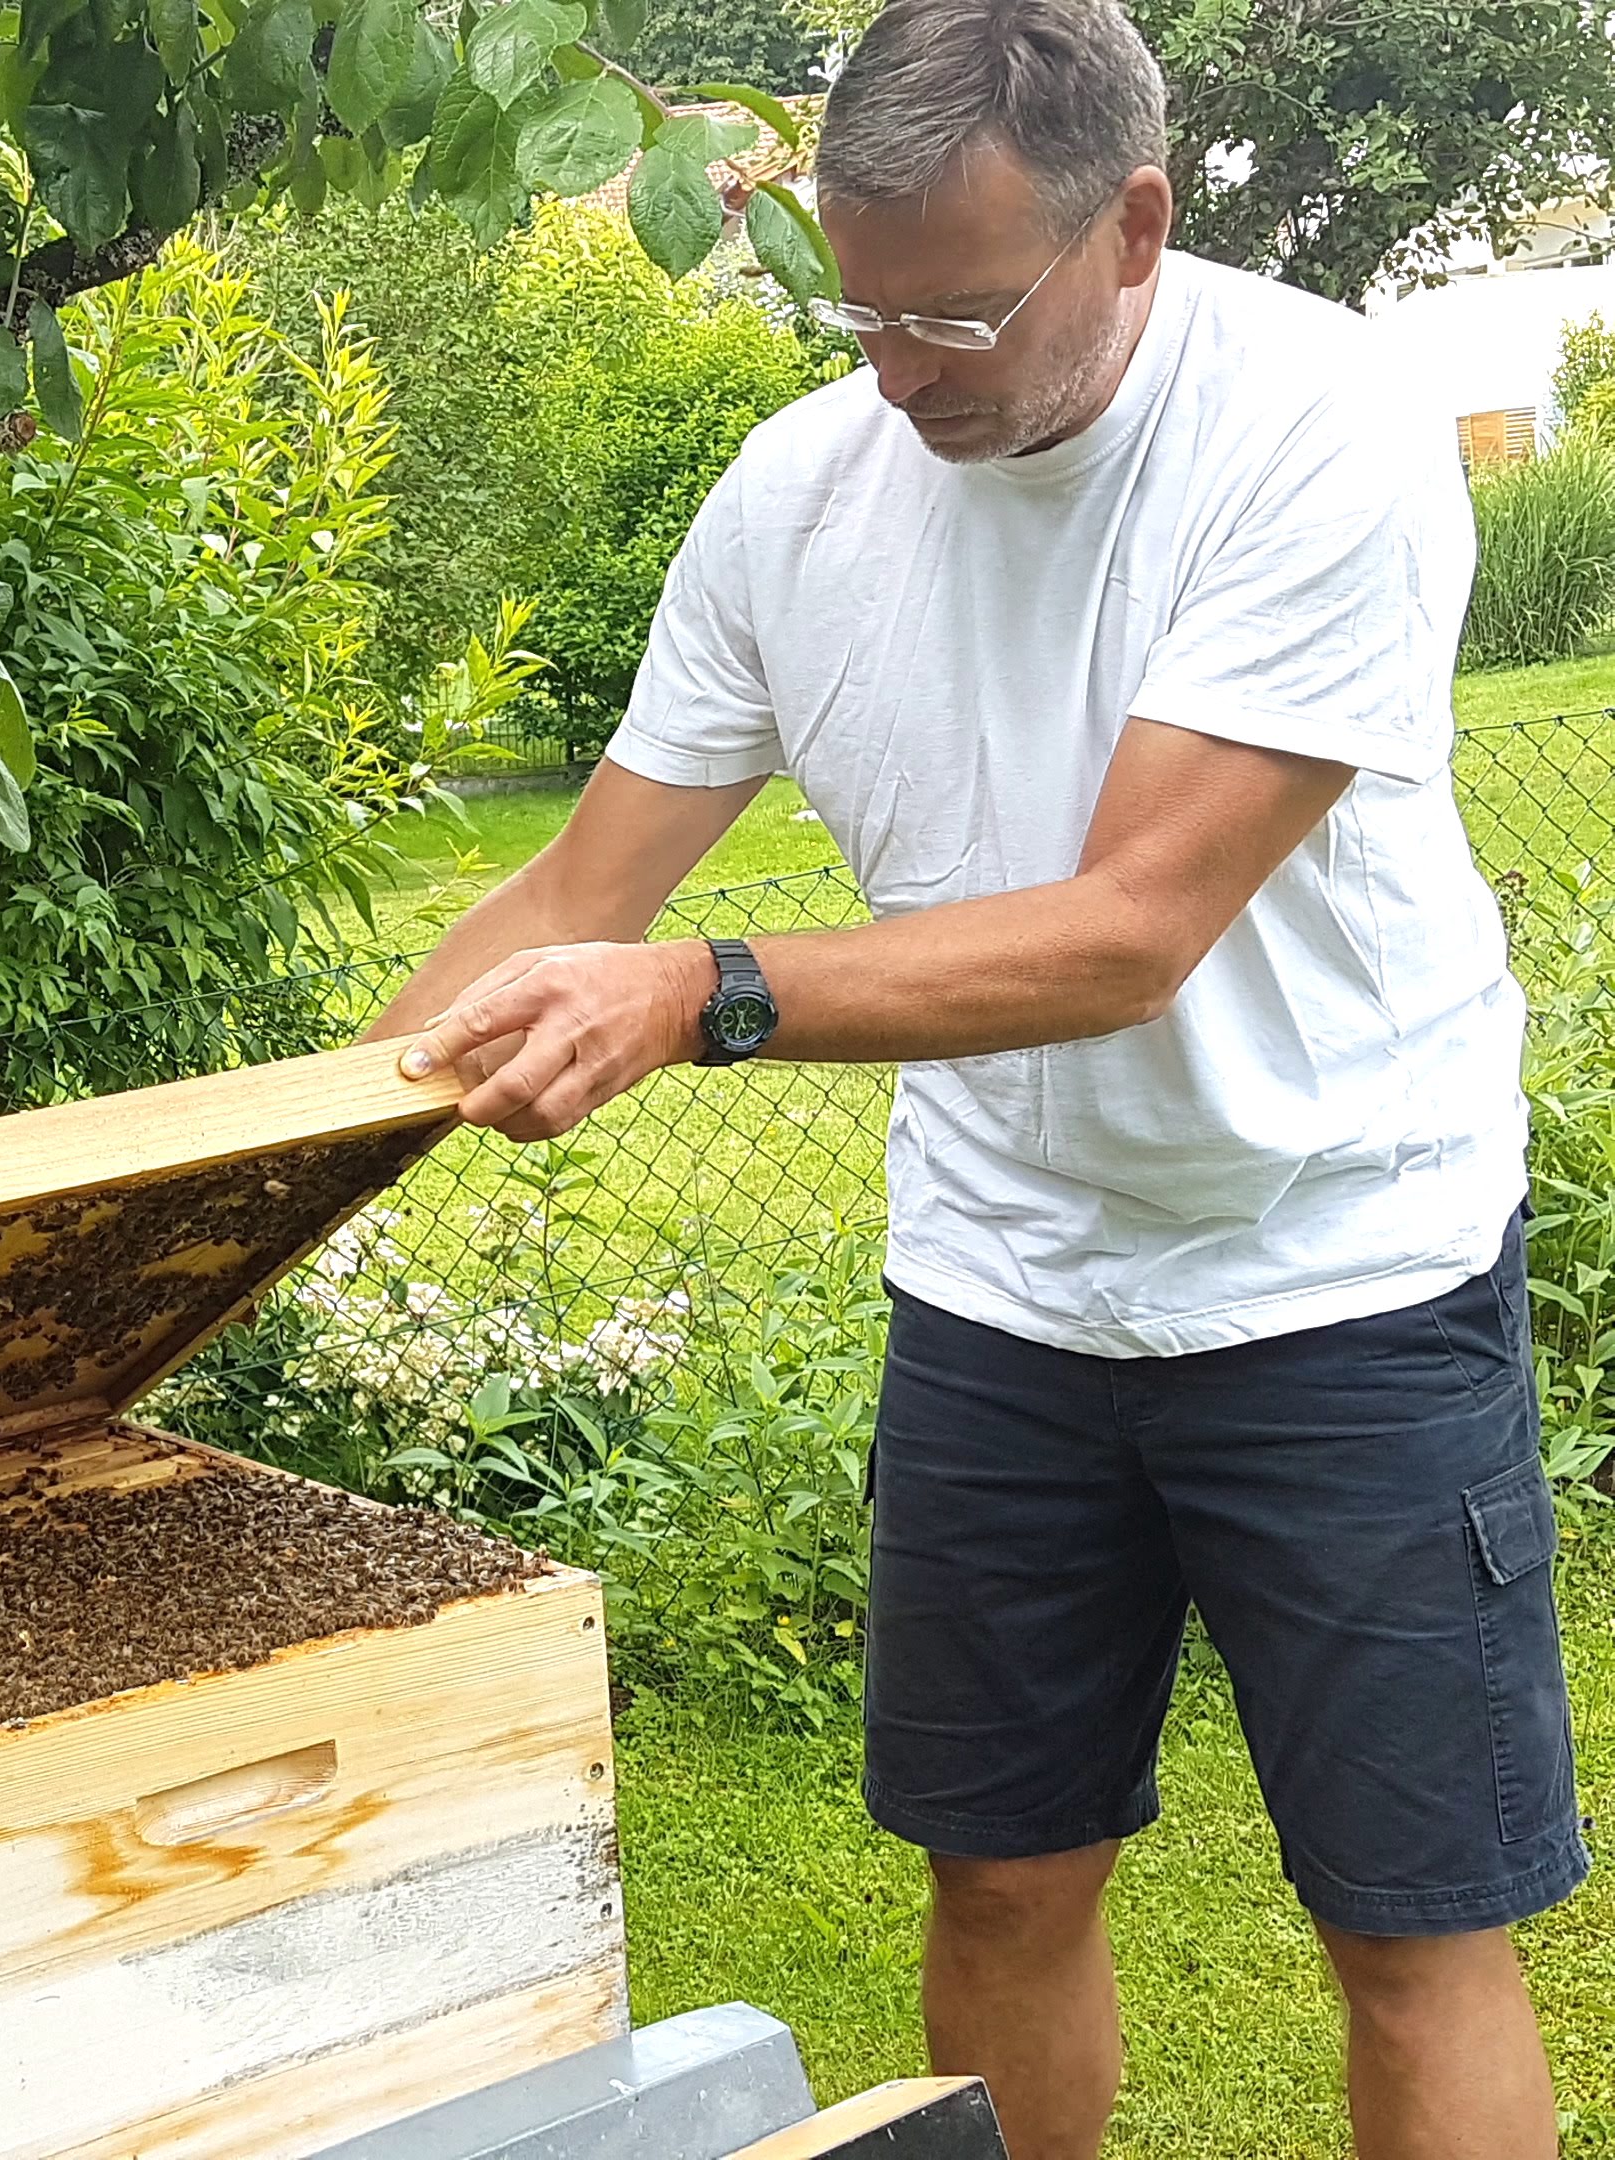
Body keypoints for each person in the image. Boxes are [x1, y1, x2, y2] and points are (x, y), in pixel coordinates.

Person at [372, 4, 1587, 2155]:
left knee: (1411, 1921)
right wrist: (276, 1152)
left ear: (1136, 224)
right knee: (1004, 1875)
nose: (899, 369)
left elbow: (1131, 935)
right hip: (1006, 1300)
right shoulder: (798, 492)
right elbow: (578, 880)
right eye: (861, 304)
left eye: (954, 309)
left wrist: (703, 996)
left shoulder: (1318, 426)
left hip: (1342, 1274)